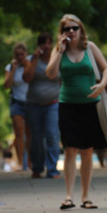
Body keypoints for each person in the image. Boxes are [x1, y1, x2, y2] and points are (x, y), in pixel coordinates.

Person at [46, 14, 107, 210]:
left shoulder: (89, 47)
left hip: (90, 105)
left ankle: (85, 196)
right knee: (69, 150)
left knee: (87, 151)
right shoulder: (59, 50)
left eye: (75, 28)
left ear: (81, 29)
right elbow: (50, 73)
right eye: (67, 29)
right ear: (62, 32)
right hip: (67, 105)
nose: (71, 32)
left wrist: (101, 86)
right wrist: (59, 50)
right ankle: (68, 196)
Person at [23, 32, 62, 179]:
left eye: (48, 43)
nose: (46, 46)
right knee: (37, 138)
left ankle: (52, 169)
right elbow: (27, 78)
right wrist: (35, 59)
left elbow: (63, 80)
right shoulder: (31, 60)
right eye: (43, 43)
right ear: (39, 46)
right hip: (34, 105)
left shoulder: (57, 59)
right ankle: (38, 168)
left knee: (52, 135)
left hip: (53, 103)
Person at [4, 42, 31, 171]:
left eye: (22, 54)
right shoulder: (9, 67)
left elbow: (31, 78)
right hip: (17, 102)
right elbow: (6, 85)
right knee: (19, 133)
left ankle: (31, 162)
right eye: (17, 55)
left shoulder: (30, 64)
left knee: (30, 134)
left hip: (31, 102)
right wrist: (14, 69)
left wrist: (27, 65)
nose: (20, 57)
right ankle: (21, 163)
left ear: (26, 54)